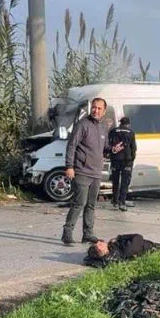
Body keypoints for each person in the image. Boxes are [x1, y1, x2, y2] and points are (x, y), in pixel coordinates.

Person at [62, 97, 109, 246]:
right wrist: (69, 166)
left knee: (91, 205)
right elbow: (71, 146)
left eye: (99, 108)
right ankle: (67, 233)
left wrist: (112, 149)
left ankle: (88, 234)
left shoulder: (102, 128)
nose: (96, 110)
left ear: (104, 111)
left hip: (96, 173)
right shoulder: (82, 125)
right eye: (94, 107)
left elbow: (103, 148)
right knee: (79, 203)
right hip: (82, 171)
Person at [83, 233, 160, 268]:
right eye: (100, 244)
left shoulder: (107, 257)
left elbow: (87, 259)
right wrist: (120, 237)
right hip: (151, 247)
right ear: (103, 251)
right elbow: (138, 237)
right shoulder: (127, 249)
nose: (99, 242)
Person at [107, 116, 137, 211]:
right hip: (127, 161)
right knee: (125, 182)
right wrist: (132, 158)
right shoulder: (131, 132)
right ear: (128, 124)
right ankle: (122, 203)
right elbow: (134, 148)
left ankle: (115, 200)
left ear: (120, 123)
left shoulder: (112, 131)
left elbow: (109, 144)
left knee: (115, 181)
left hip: (115, 159)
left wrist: (110, 155)